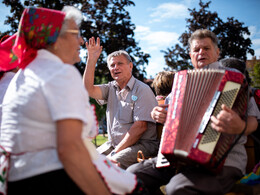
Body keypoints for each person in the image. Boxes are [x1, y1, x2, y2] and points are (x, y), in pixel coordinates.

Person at [0, 6, 146, 195]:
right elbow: (70, 149)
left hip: (17, 180)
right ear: (55, 40)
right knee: (138, 189)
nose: (81, 40)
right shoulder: (59, 72)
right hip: (48, 178)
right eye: (75, 33)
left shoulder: (25, 74)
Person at [127, 29, 260, 195]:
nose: (201, 52)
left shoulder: (235, 79)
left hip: (223, 162)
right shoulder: (180, 83)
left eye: (206, 48)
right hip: (177, 159)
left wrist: (241, 126)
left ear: (217, 52)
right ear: (190, 55)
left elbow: (253, 121)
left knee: (177, 188)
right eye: (196, 49)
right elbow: (166, 113)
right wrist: (157, 114)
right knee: (131, 176)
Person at [83, 41, 159, 169]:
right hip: (114, 145)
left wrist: (115, 152)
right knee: (84, 162)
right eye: (112, 65)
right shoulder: (110, 88)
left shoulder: (142, 90)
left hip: (141, 145)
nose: (115, 67)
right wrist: (91, 59)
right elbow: (87, 89)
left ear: (130, 66)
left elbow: (140, 127)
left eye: (120, 63)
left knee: (106, 166)